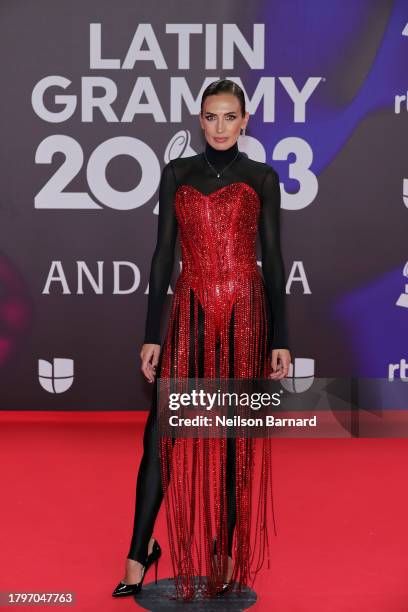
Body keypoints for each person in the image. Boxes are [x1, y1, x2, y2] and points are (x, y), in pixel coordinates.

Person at [112, 78, 291, 601]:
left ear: (244, 120)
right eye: (210, 117)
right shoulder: (176, 173)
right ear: (199, 120)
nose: (219, 127)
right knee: (160, 435)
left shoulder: (263, 178)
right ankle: (138, 550)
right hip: (188, 310)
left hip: (246, 313)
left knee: (234, 437)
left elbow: (274, 260)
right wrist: (152, 333)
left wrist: (282, 336)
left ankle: (223, 549)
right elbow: (163, 256)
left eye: (229, 117)